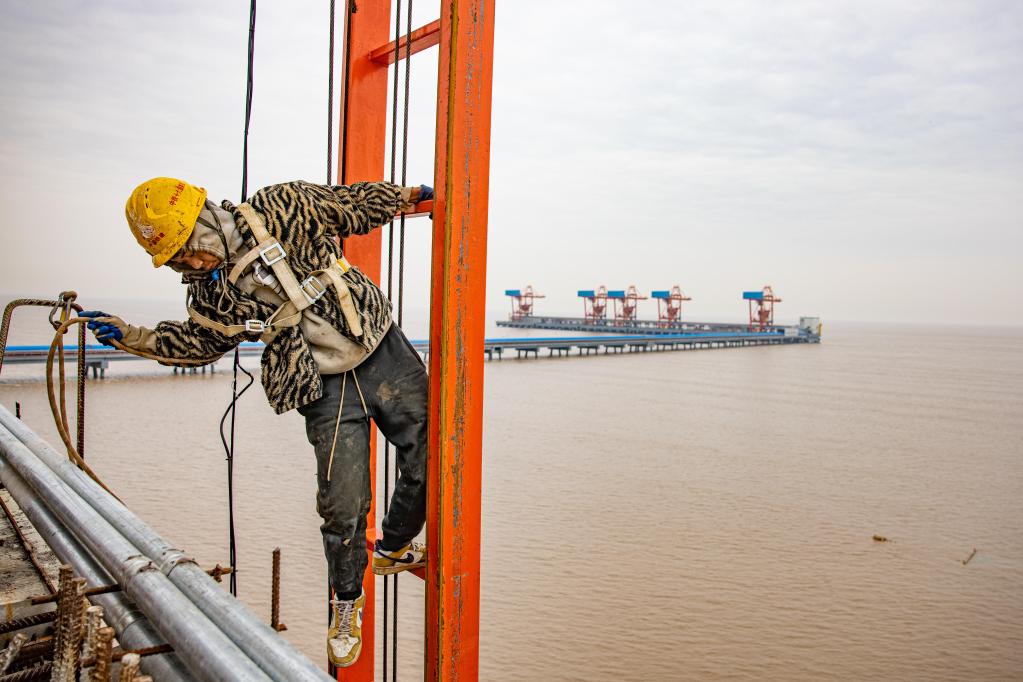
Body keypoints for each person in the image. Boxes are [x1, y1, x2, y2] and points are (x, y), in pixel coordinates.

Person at [80, 177, 433, 667]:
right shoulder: (211, 295)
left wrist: (405, 196)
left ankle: (394, 545)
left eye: (188, 252)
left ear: (204, 223)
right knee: (343, 503)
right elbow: (196, 344)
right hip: (321, 382)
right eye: (177, 260)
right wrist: (130, 336)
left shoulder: (281, 206)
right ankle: (347, 598)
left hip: (380, 348)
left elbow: (348, 204)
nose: (190, 265)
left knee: (432, 452)